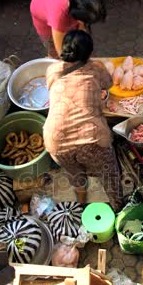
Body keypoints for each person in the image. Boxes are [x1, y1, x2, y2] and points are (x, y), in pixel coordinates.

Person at [43, 30, 120, 210]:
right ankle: (118, 207)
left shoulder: (52, 69)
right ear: (90, 53)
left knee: (75, 173)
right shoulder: (96, 68)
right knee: (109, 173)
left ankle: (81, 204)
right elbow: (108, 84)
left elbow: (54, 87)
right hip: (91, 139)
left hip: (55, 141)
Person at [30, 0, 106, 58]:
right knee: (55, 52)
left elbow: (83, 26)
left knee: (80, 44)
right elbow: (60, 51)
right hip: (41, 10)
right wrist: (67, 63)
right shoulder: (58, 14)